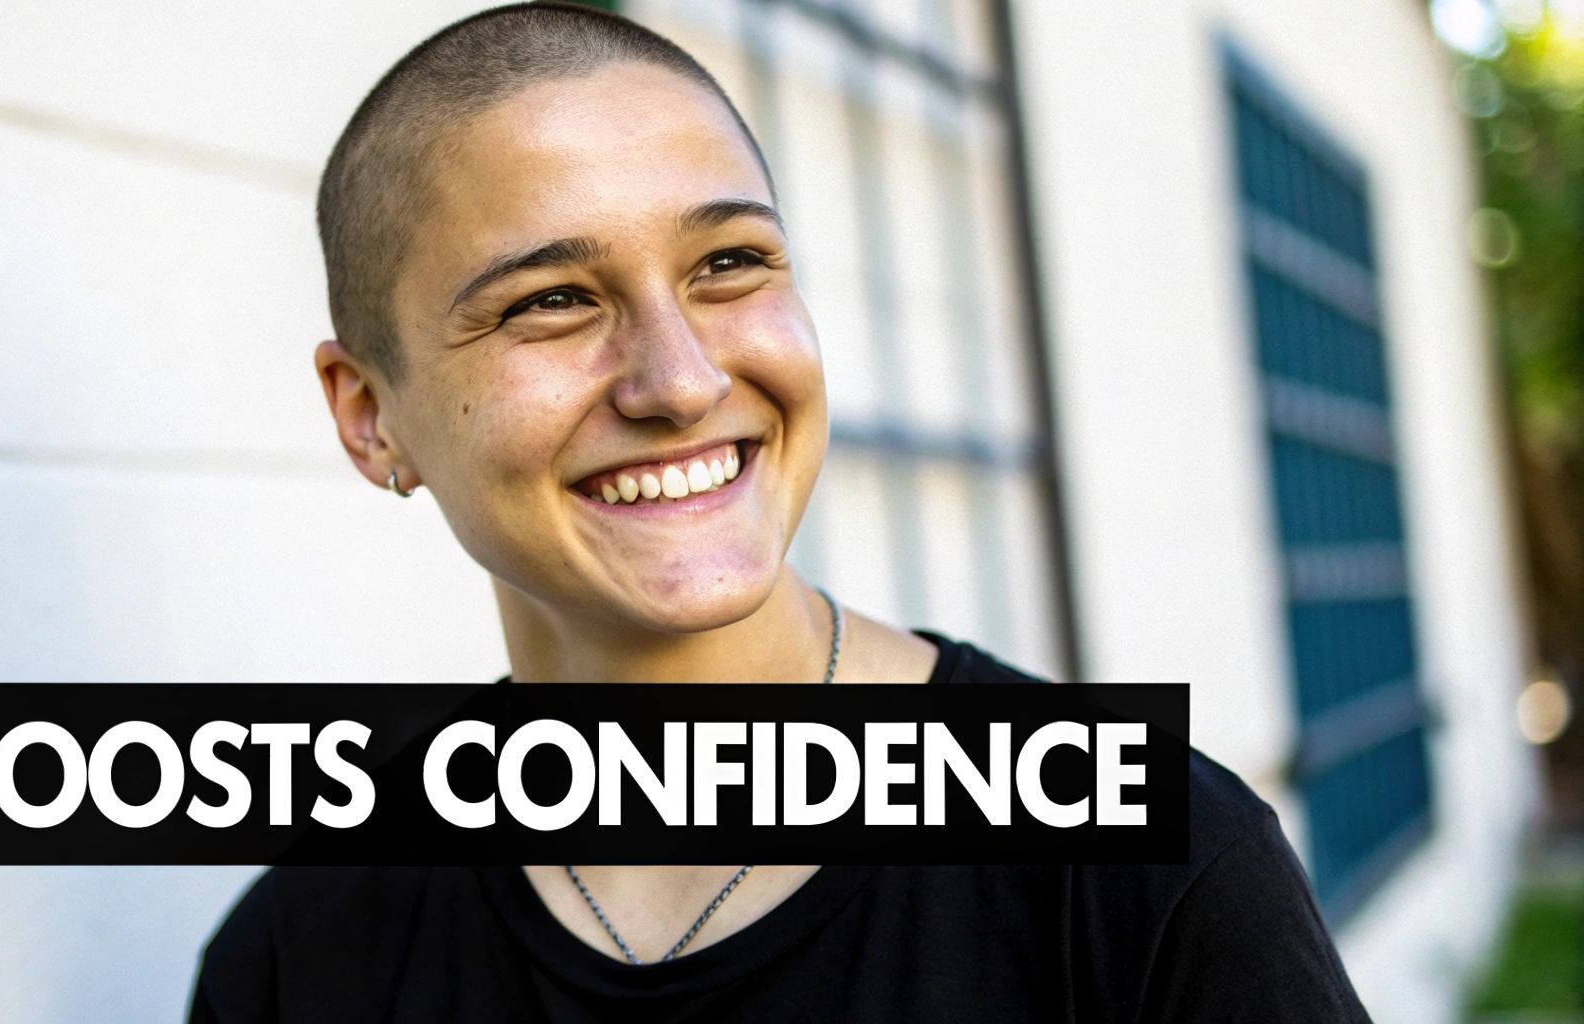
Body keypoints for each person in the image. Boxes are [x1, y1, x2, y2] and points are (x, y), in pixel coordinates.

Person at [188, 3, 1373, 1020]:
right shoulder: (304, 952)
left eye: (728, 265)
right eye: (551, 299)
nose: (681, 379)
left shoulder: (1141, 871)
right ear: (367, 414)